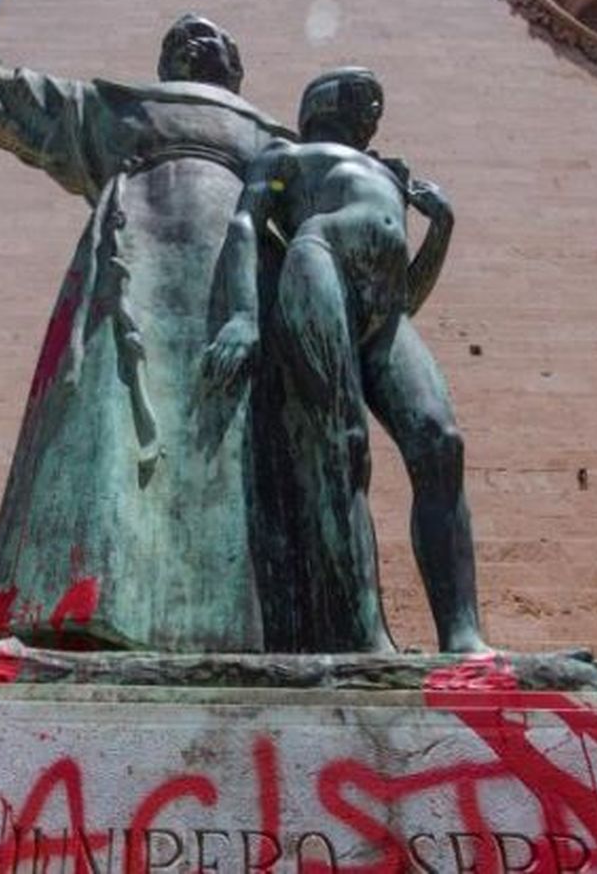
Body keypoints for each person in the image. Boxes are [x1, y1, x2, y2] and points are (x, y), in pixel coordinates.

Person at [0, 0, 292, 651]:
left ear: (234, 64)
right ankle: (79, 622)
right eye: (180, 34)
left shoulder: (275, 141)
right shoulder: (111, 109)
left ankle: (246, 639)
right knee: (107, 454)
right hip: (131, 292)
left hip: (242, 303)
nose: (194, 38)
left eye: (209, 34)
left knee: (243, 464)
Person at [203, 68, 488, 653]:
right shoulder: (285, 154)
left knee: (441, 443)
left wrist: (442, 228)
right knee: (341, 444)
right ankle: (365, 636)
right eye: (362, 102)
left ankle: (464, 636)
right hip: (317, 263)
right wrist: (244, 314)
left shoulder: (388, 172)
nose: (371, 113)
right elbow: (244, 225)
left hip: (383, 311)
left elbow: (405, 293)